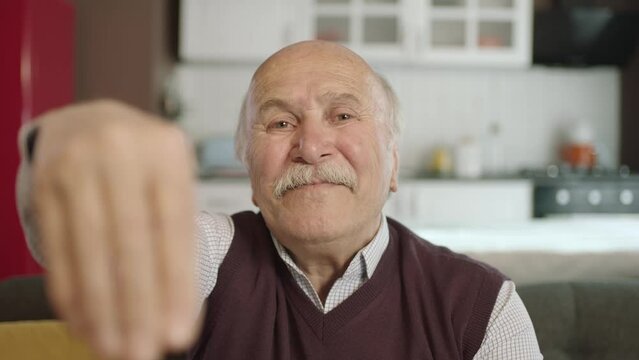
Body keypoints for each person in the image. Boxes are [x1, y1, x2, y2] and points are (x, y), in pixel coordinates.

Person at [16, 40, 542, 360]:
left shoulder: (483, 307)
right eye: (280, 122)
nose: (311, 147)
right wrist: (55, 162)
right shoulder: (210, 255)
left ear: (394, 163)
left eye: (342, 115)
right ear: (249, 170)